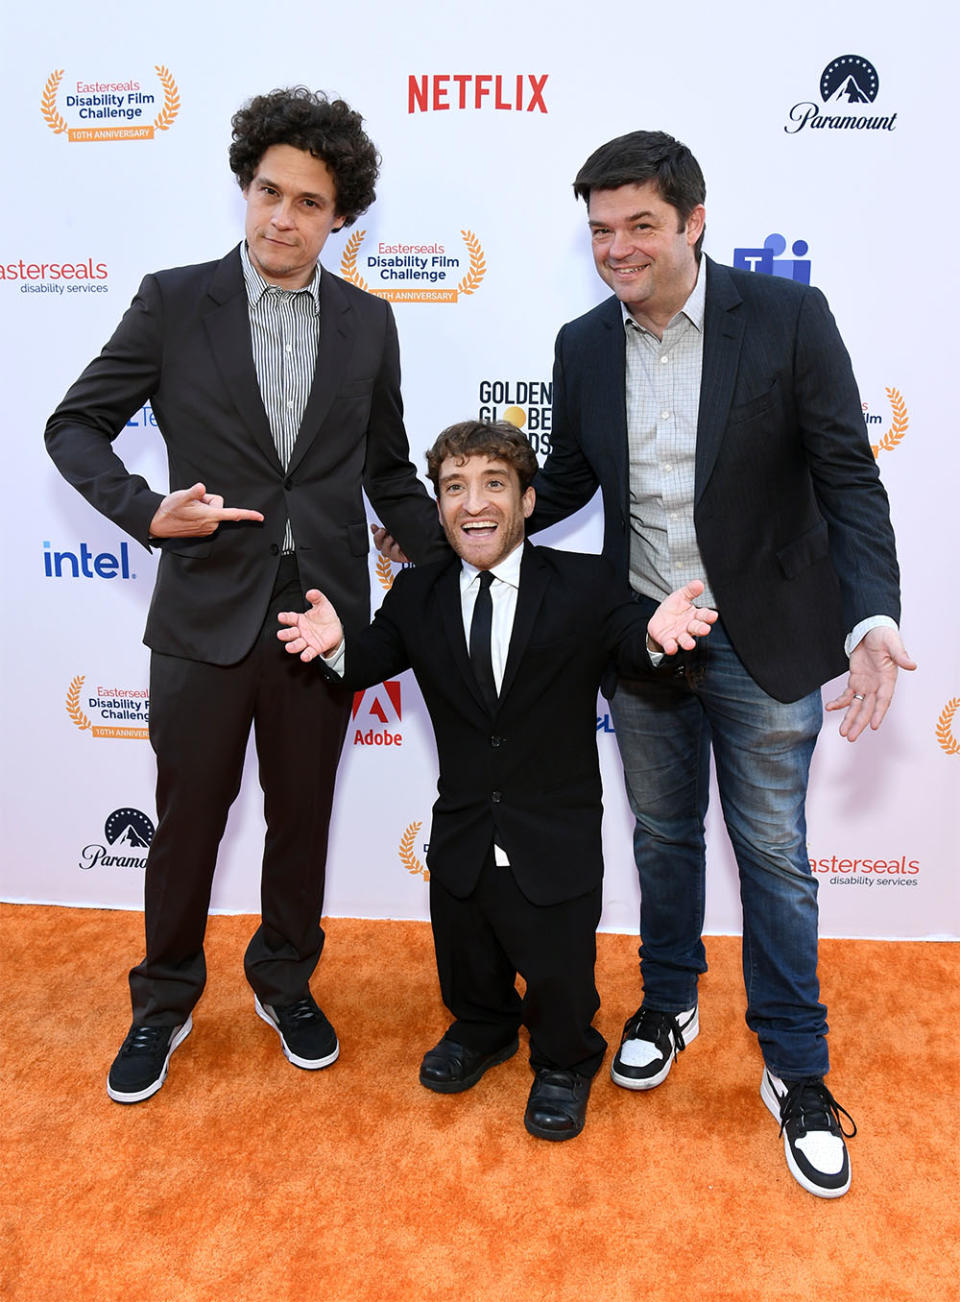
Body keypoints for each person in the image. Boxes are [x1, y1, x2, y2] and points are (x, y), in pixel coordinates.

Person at [526, 131, 913, 1194]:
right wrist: (453, 515)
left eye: (640, 225)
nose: (618, 248)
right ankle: (670, 997)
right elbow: (561, 485)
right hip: (645, 633)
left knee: (776, 859)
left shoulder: (787, 319)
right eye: (601, 230)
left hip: (763, 637)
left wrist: (869, 615)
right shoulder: (581, 344)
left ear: (694, 221)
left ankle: (796, 1070)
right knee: (660, 837)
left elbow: (847, 479)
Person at [45, 87, 447, 1105]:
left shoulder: (368, 323)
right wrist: (145, 511)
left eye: (309, 203)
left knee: (303, 817)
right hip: (202, 617)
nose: (282, 217)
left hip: (323, 622)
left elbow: (388, 473)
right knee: (187, 824)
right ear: (243, 189)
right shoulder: (175, 301)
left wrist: (464, 552)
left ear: (340, 218)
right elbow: (74, 425)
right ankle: (164, 999)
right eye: (269, 191)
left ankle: (283, 979)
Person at [278, 420, 717, 1141]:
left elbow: (629, 641)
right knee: (467, 957)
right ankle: (483, 1030)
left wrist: (653, 636)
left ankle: (565, 1060)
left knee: (559, 972)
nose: (472, 503)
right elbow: (370, 658)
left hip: (554, 833)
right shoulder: (417, 593)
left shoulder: (581, 583)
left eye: (492, 485)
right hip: (462, 830)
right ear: (438, 505)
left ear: (527, 501)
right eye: (454, 488)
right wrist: (335, 649)